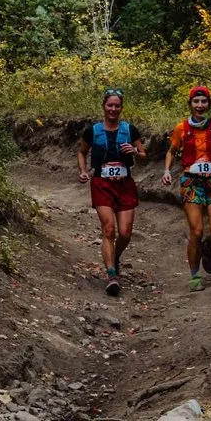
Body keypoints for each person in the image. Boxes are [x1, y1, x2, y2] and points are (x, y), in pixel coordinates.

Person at [163, 85, 211, 290]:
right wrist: (166, 171)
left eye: (204, 102)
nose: (200, 105)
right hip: (192, 181)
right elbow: (172, 151)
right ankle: (194, 277)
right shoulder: (181, 128)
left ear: (209, 104)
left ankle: (207, 248)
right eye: (196, 101)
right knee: (196, 230)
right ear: (190, 104)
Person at [78, 89, 146, 295]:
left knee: (125, 233)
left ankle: (115, 256)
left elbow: (143, 154)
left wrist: (134, 151)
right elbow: (82, 152)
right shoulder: (93, 130)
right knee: (109, 229)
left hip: (125, 183)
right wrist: (83, 171)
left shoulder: (130, 129)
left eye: (117, 106)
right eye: (110, 105)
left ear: (121, 108)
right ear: (104, 106)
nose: (113, 109)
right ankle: (111, 275)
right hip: (101, 183)